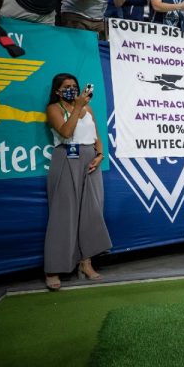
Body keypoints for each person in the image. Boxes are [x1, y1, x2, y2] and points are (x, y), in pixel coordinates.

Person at [44, 73, 111, 291]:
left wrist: (99, 155)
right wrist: (77, 107)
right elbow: (65, 132)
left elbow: (97, 137)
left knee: (92, 213)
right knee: (64, 214)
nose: (72, 89)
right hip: (66, 159)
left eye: (74, 86)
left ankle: (86, 263)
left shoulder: (89, 110)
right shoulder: (54, 109)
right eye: (66, 86)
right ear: (57, 91)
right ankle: (53, 268)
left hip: (90, 162)